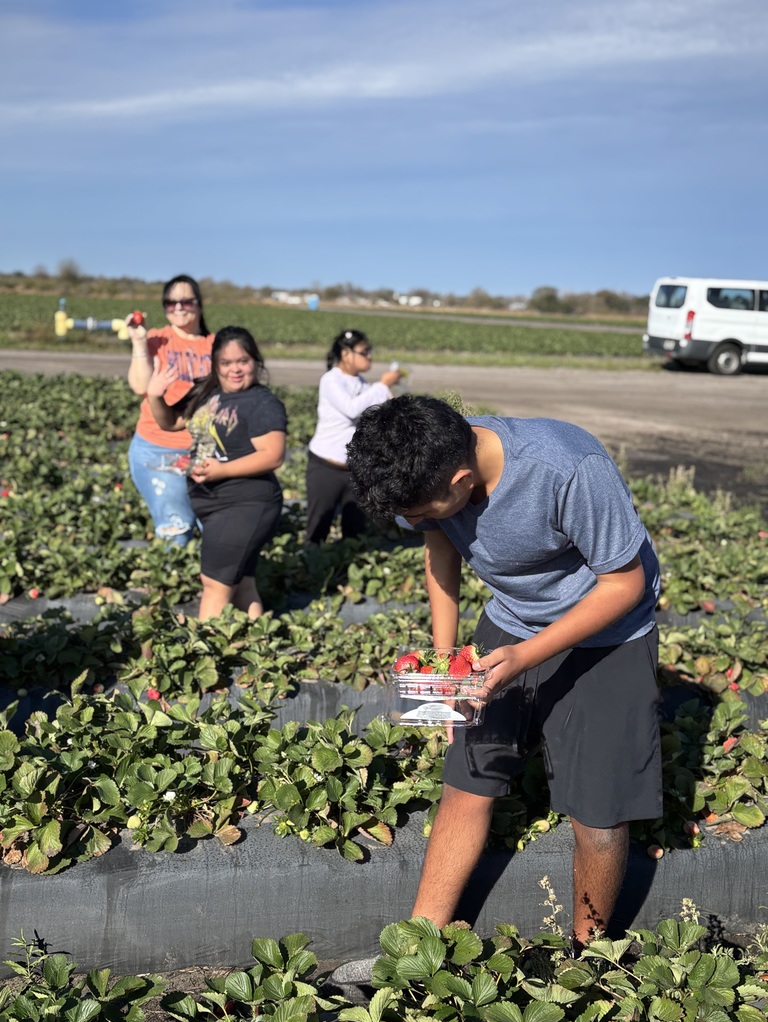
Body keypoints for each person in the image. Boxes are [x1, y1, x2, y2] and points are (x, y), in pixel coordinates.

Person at [346, 394, 662, 952]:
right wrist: (447, 670)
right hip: (510, 620)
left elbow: (625, 585)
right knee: (466, 784)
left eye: (420, 513)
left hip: (607, 629)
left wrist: (526, 656)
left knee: (598, 814)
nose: (414, 523)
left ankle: (587, 956)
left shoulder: (567, 468)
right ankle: (417, 945)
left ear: (462, 478)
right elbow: (438, 552)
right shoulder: (423, 470)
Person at [145, 326, 287, 621]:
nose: (235, 369)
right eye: (226, 363)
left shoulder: (262, 403)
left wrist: (221, 470)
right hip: (214, 503)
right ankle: (258, 646)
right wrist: (155, 396)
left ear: (256, 362)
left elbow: (273, 455)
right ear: (215, 364)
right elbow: (171, 422)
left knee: (214, 584)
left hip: (246, 503)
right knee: (243, 583)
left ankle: (204, 652)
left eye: (243, 361)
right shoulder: (207, 391)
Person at [126, 274, 215, 545]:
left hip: (205, 451)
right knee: (177, 529)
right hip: (158, 449)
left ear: (199, 304)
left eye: (185, 301)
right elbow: (141, 386)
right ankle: (173, 584)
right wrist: (139, 343)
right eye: (170, 302)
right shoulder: (156, 340)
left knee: (215, 530)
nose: (178, 307)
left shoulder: (216, 345)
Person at [305, 328, 402, 544]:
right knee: (318, 525)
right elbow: (351, 409)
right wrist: (383, 385)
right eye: (364, 351)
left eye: (369, 351)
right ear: (346, 354)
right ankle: (310, 571)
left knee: (355, 527)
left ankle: (346, 568)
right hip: (325, 466)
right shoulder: (331, 380)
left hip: (354, 468)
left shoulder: (362, 383)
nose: (370, 356)